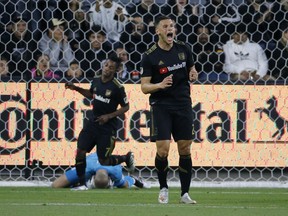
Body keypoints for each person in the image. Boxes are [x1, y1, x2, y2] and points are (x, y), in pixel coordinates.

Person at [140, 16, 197, 204]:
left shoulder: (184, 49)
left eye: (172, 26)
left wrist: (193, 73)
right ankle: (163, 187)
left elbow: (192, 70)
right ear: (158, 31)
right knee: (163, 150)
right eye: (165, 26)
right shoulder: (150, 56)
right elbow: (144, 87)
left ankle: (185, 194)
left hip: (183, 104)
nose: (169, 29)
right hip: (161, 106)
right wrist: (160, 85)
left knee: (185, 148)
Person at [65, 54, 135, 190]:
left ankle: (125, 158)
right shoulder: (96, 79)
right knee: (80, 151)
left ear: (115, 71)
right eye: (106, 65)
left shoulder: (117, 87)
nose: (107, 68)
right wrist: (77, 88)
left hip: (107, 127)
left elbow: (126, 107)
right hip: (93, 122)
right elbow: (92, 94)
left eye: (111, 67)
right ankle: (81, 183)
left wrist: (109, 116)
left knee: (104, 160)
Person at [51, 152, 150, 189]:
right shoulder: (85, 169)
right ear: (91, 178)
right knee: (56, 185)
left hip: (108, 161)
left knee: (124, 184)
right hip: (91, 162)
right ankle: (77, 183)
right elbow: (54, 185)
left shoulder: (116, 172)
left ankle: (133, 180)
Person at [0, 13, 37, 78]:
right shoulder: (6, 41)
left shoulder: (31, 40)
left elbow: (34, 58)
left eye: (23, 25)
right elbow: (6, 60)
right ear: (13, 28)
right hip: (11, 76)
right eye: (18, 25)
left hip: (28, 75)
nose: (21, 28)